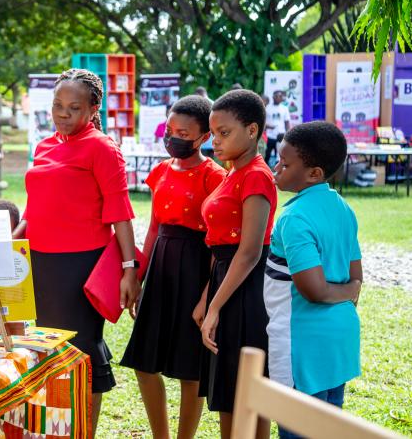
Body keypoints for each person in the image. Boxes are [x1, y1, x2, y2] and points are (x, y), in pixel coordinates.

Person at [13, 69, 139, 435]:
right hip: (41, 263)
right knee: (48, 351)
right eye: (57, 106)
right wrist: (11, 244)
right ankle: (56, 429)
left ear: (93, 108)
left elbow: (120, 213)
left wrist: (129, 269)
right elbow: (35, 209)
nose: (63, 114)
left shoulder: (102, 147)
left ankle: (82, 432)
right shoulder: (45, 145)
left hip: (82, 266)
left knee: (81, 353)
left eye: (73, 107)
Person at [120, 96, 226, 439]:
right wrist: (138, 274)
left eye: (183, 132)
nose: (173, 137)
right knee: (143, 362)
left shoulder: (214, 175)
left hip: (195, 267)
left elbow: (217, 239)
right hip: (161, 265)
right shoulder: (162, 170)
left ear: (204, 137)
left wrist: (207, 294)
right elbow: (153, 227)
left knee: (189, 369)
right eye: (169, 130)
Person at [266, 122, 362, 439]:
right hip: (339, 340)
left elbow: (314, 290)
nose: (275, 167)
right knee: (329, 428)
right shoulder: (343, 208)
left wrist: (344, 290)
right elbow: (355, 280)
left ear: (314, 174)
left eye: (285, 163)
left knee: (299, 430)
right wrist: (349, 290)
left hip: (301, 345)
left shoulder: (294, 218)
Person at [197, 89, 277, 439]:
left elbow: (249, 251)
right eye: (213, 132)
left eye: (224, 132)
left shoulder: (256, 175)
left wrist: (215, 306)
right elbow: (220, 245)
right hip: (225, 282)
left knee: (246, 392)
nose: (215, 140)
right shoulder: (233, 172)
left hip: (247, 289)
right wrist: (206, 299)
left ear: (253, 130)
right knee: (228, 391)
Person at [265, 90, 291, 167]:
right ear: (273, 97)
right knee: (267, 155)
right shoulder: (268, 108)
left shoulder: (284, 108)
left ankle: (277, 173)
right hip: (270, 136)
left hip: (280, 136)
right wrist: (269, 126)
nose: (279, 98)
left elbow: (287, 122)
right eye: (277, 96)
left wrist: (288, 133)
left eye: (280, 96)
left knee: (279, 156)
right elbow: (263, 122)